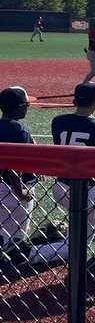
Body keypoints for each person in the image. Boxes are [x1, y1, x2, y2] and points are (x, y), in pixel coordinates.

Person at [24, 84, 95, 266]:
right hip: (88, 193)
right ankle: (24, 253)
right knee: (77, 246)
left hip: (60, 188)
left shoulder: (58, 121)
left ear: (74, 101)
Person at [0, 86, 39, 263]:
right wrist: (20, 191)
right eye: (26, 105)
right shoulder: (19, 129)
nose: (28, 108)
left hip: (2, 185)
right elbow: (13, 167)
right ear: (20, 107)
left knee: (3, 227)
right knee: (17, 237)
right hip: (14, 189)